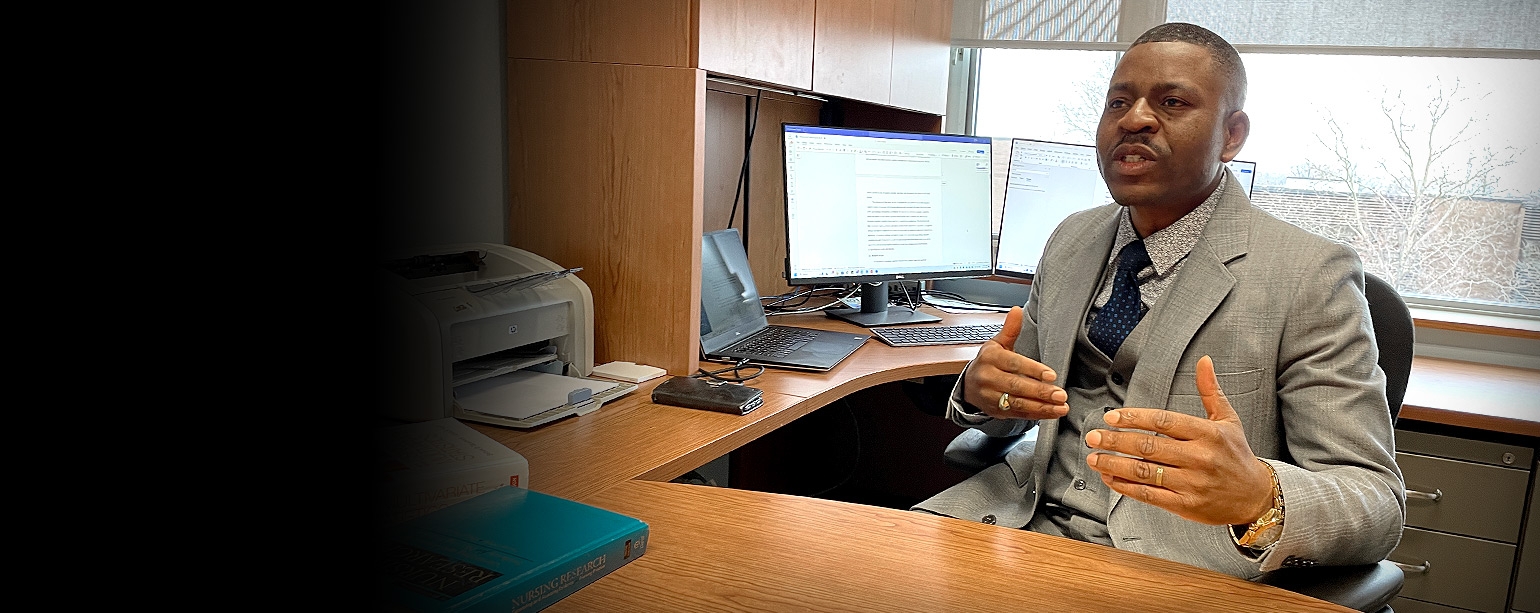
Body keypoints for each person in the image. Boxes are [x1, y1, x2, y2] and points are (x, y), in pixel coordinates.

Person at [913, 22, 1405, 579]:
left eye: (1172, 102)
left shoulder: (1310, 274)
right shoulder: (1072, 238)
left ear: (1232, 134)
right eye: (1118, 102)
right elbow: (1013, 404)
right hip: (1011, 524)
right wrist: (983, 396)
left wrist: (1261, 498)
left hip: (1170, 564)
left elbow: (1376, 503)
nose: (1135, 119)